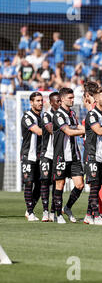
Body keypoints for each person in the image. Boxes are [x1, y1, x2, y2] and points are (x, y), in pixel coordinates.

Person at [52, 88, 85, 224]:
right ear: (63, 99)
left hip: (74, 155)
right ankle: (58, 214)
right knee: (60, 184)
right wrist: (86, 132)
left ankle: (67, 207)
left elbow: (78, 127)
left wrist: (92, 129)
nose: (72, 100)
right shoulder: (58, 115)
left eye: (73, 97)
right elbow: (69, 132)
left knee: (80, 185)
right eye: (70, 98)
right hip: (61, 155)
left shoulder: (72, 113)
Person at [83, 86, 102, 226]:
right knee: (95, 186)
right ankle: (97, 215)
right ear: (97, 98)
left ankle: (88, 215)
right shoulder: (92, 114)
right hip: (92, 154)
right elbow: (99, 131)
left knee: (97, 185)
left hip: (101, 155)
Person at [21, 92, 43, 222]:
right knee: (29, 183)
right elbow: (39, 132)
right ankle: (30, 212)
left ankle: (29, 209)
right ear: (31, 102)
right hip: (28, 155)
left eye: (41, 101)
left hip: (41, 155)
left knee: (40, 185)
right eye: (37, 101)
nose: (40, 103)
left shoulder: (43, 117)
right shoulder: (27, 117)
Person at [39, 92, 61, 223]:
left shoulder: (65, 115)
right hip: (47, 154)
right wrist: (66, 128)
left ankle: (53, 211)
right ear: (51, 102)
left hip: (59, 155)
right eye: (57, 101)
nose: (59, 103)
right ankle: (45, 211)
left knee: (57, 182)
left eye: (60, 101)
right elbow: (51, 129)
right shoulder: (47, 115)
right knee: (45, 181)